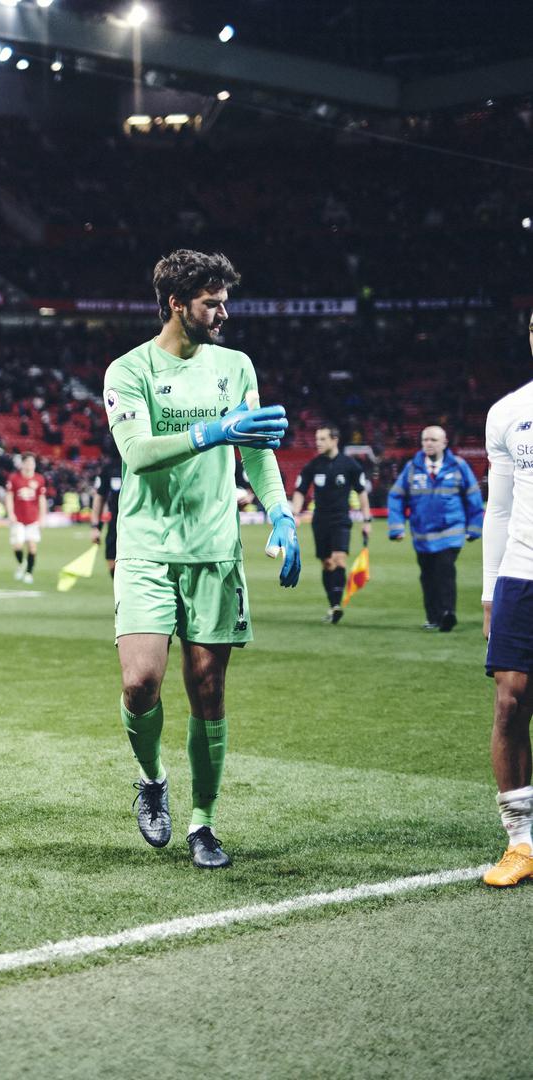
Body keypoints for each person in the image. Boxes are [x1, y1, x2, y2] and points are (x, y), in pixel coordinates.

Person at [102, 249, 298, 870]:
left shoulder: (236, 367)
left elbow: (259, 450)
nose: (223, 312)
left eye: (224, 300)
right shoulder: (128, 370)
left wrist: (282, 513)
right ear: (175, 305)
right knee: (140, 683)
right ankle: (153, 779)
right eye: (211, 302)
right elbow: (136, 452)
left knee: (207, 689)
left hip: (214, 547)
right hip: (145, 547)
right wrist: (210, 432)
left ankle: (203, 823)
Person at [480, 316, 533, 887]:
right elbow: (499, 509)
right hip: (522, 574)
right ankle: (521, 841)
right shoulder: (509, 412)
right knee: (511, 702)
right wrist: (491, 589)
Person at [386, 425, 483, 632]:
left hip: (451, 533)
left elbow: (473, 496)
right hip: (422, 535)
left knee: (445, 571)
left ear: (444, 443)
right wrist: (396, 527)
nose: (428, 444)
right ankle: (433, 617)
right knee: (427, 576)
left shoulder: (458, 466)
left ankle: (448, 613)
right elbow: (396, 496)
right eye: (425, 440)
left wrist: (475, 527)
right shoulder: (413, 468)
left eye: (433, 440)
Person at [290, 426, 372, 624]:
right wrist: (294, 514)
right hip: (320, 521)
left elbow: (362, 492)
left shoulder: (350, 465)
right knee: (327, 563)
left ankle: (336, 606)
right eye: (317, 438)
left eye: (322, 438)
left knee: (339, 558)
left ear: (335, 440)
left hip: (341, 520)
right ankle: (333, 604)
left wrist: (367, 520)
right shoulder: (313, 465)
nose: (318, 442)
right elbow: (300, 490)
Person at [3, 455, 46, 583]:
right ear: (22, 464)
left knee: (32, 546)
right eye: (27, 463)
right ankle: (22, 563)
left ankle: (29, 573)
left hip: (32, 518)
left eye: (31, 463)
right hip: (18, 518)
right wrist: (10, 513)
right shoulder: (14, 478)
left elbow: (41, 499)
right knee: (17, 546)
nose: (29, 465)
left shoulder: (39, 479)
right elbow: (9, 496)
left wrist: (42, 516)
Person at [90, 434, 123, 577]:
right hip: (116, 521)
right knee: (111, 560)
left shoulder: (140, 463)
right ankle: (120, 596)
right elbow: (99, 497)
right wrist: (95, 527)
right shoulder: (108, 469)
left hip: (140, 520)